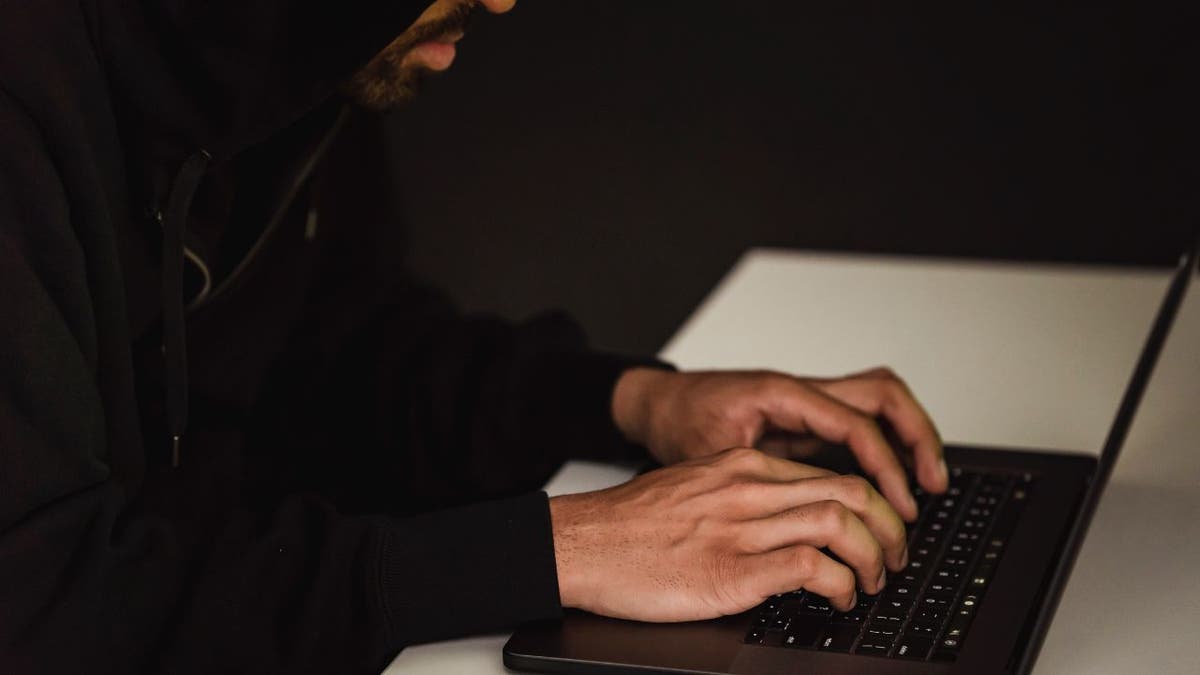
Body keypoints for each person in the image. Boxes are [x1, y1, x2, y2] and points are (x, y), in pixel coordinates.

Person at [0, 0, 947, 672]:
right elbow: (38, 609)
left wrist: (630, 402)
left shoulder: (286, 57)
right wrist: (557, 551)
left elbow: (328, 362)